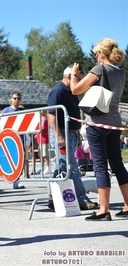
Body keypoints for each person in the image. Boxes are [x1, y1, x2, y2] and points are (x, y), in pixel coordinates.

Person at [69, 38, 128, 221]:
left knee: (100, 165)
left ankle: (103, 209)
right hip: (115, 122)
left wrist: (73, 74)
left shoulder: (99, 69)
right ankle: (127, 205)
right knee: (117, 164)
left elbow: (76, 90)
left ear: (102, 53)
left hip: (97, 122)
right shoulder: (121, 71)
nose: (95, 57)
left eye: (96, 53)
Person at [47, 64, 98, 212]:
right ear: (69, 76)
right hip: (62, 133)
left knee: (62, 167)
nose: (79, 82)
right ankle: (81, 199)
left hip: (72, 133)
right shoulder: (58, 91)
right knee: (72, 167)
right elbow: (52, 116)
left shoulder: (72, 92)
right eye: (77, 78)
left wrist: (78, 136)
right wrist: (58, 136)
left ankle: (53, 198)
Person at [2, 92, 27, 188]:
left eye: (18, 99)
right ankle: (11, 177)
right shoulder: (6, 111)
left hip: (20, 139)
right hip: (9, 139)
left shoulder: (22, 111)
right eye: (15, 98)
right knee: (10, 159)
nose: (16, 100)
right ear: (11, 99)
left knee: (19, 160)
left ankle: (17, 180)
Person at [34, 110, 50, 175]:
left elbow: (42, 128)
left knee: (45, 155)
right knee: (40, 154)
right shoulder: (40, 119)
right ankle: (42, 167)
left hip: (44, 139)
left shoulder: (44, 119)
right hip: (39, 139)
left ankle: (47, 167)